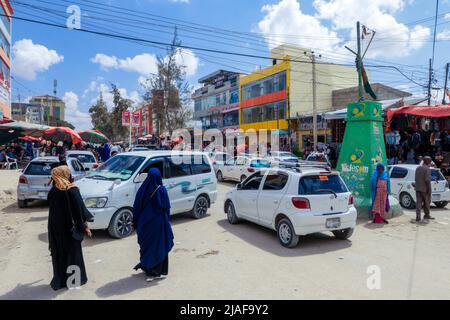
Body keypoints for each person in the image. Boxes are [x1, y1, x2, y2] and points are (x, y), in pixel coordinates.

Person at [47, 166, 92, 290]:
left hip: (55, 229)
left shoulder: (53, 191)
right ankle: (74, 281)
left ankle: (60, 281)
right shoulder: (72, 190)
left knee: (60, 254)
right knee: (74, 255)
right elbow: (79, 211)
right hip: (70, 230)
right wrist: (84, 227)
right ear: (66, 174)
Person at [133, 168, 174, 282]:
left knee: (147, 247)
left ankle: (148, 270)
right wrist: (167, 222)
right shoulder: (162, 190)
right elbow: (167, 208)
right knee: (159, 246)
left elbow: (136, 207)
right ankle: (157, 271)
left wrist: (135, 222)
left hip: (145, 225)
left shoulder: (142, 190)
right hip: (159, 224)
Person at [413, 156, 435, 222]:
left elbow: (416, 179)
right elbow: (427, 181)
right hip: (425, 189)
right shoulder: (427, 169)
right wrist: (429, 190)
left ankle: (418, 217)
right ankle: (427, 215)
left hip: (418, 188)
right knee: (427, 202)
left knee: (418, 203)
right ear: (427, 161)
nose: (431, 162)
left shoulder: (418, 168)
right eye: (430, 160)